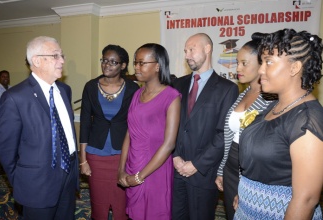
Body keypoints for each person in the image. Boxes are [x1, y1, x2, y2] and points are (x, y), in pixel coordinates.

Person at [234, 28, 323, 219]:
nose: (260, 70)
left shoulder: (306, 119)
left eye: (268, 62)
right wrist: (244, 193)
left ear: (294, 68)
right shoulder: (273, 106)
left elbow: (306, 199)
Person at [0, 36, 78, 219]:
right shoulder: (15, 97)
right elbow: (6, 149)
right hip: (37, 185)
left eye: (62, 55)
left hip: (68, 177)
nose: (62, 61)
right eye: (55, 55)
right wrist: (20, 181)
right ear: (36, 60)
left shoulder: (65, 90)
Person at [172, 33, 239, 220]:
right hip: (176, 169)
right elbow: (171, 125)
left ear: (207, 48)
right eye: (185, 51)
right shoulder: (178, 84)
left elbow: (223, 134)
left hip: (204, 173)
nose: (187, 55)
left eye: (191, 49)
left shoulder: (227, 88)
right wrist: (175, 156)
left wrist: (196, 164)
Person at [118, 43, 181, 220]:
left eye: (141, 63)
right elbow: (129, 133)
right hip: (133, 163)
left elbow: (169, 144)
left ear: (157, 66)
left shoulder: (171, 96)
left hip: (155, 168)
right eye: (135, 63)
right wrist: (121, 169)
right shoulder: (137, 93)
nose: (136, 67)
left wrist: (139, 177)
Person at [214, 37, 274, 220]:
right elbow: (230, 136)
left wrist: (247, 187)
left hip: (253, 172)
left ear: (261, 64)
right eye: (237, 63)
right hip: (231, 167)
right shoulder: (243, 94)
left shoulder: (271, 100)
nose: (237, 68)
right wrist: (221, 170)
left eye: (244, 63)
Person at [79, 44, 139, 220]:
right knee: (98, 202)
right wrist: (83, 160)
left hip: (123, 154)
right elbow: (84, 123)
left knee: (122, 202)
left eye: (113, 62)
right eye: (104, 60)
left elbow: (134, 124)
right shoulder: (90, 87)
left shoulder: (132, 89)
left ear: (122, 65)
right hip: (96, 154)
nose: (107, 64)